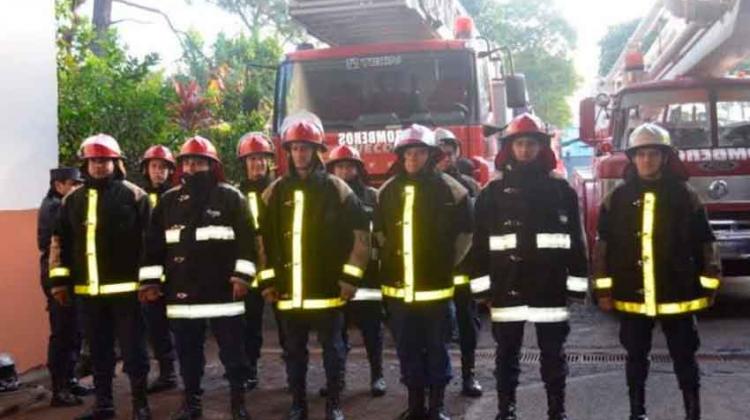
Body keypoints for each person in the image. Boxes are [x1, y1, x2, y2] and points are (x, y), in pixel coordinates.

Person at [593, 123, 720, 420]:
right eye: (641, 154)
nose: (647, 160)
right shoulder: (617, 198)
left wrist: (710, 282)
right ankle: (637, 413)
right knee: (635, 357)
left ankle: (693, 413)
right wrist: (603, 290)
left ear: (665, 158)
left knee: (685, 357)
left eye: (653, 154)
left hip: (678, 292)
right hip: (631, 295)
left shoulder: (685, 195)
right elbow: (603, 249)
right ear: (632, 158)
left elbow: (705, 241)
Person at [473, 114, 588, 420]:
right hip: (506, 286)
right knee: (506, 356)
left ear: (541, 147)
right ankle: (506, 411)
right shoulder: (491, 193)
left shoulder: (561, 190)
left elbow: (577, 241)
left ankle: (556, 411)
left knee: (553, 355)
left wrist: (577, 286)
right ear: (509, 148)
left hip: (549, 287)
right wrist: (482, 289)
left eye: (531, 144)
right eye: (519, 144)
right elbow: (479, 244)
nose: (525, 150)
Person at [258, 112, 369, 420]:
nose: (299, 153)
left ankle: (334, 403)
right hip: (288, 292)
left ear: (317, 150)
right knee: (293, 353)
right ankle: (298, 404)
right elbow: (262, 240)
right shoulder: (275, 191)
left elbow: (362, 236)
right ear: (288, 151)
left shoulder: (337, 189)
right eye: (294, 148)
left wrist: (349, 279)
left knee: (333, 351)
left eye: (305, 148)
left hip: (328, 290)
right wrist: (267, 282)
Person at [139, 136, 257, 420]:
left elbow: (247, 243)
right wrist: (150, 282)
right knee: (188, 355)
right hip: (182, 294)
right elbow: (153, 246)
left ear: (212, 165)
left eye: (199, 162)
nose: (192, 167)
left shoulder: (231, 197)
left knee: (233, 354)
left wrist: (242, 277)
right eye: (188, 162)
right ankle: (191, 404)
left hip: (223, 294)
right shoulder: (168, 202)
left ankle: (238, 403)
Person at [48, 134, 152, 420]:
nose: (99, 166)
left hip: (128, 293)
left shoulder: (134, 195)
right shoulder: (72, 200)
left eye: (105, 160)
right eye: (94, 161)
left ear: (116, 163)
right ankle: (103, 405)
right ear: (86, 164)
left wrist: (150, 281)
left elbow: (151, 242)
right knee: (99, 352)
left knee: (134, 353)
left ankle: (140, 406)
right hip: (88, 294)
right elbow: (59, 242)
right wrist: (59, 282)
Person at [376, 124, 472, 420]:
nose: (413, 159)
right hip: (399, 291)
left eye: (419, 153)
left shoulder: (452, 191)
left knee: (437, 347)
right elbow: (379, 236)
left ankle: (437, 405)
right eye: (408, 153)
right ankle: (415, 404)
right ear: (401, 156)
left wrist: (443, 265)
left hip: (436, 289)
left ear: (431, 155)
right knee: (408, 349)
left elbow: (465, 238)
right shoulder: (387, 191)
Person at [325, 145, 387, 398]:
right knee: (334, 335)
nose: (344, 171)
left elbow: (383, 236)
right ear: (332, 170)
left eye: (349, 166)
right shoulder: (325, 198)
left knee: (372, 331)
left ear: (358, 169)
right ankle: (336, 380)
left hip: (368, 277)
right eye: (339, 166)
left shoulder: (373, 197)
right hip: (336, 276)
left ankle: (378, 375)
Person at [235, 131, 287, 391]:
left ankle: (293, 371)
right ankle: (249, 370)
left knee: (287, 323)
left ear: (270, 161)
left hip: (278, 268)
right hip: (249, 268)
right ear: (244, 163)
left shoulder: (281, 189)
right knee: (249, 324)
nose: (256, 164)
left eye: (261, 159)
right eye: (251, 159)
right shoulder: (235, 194)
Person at [435, 128, 483, 398]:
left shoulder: (470, 186)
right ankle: (435, 382)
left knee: (466, 322)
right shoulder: (423, 186)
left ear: (456, 154)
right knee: (434, 328)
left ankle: (469, 375)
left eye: (449, 153)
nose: (445, 158)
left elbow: (478, 228)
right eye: (440, 153)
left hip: (462, 268)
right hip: (432, 269)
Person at [38, 167, 91, 407]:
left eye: (80, 184)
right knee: (62, 333)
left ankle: (69, 380)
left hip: (70, 279)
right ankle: (59, 390)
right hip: (59, 280)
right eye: (73, 183)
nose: (78, 188)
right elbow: (57, 247)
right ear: (58, 185)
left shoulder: (63, 204)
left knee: (74, 331)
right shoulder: (55, 208)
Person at [138, 145, 178, 394]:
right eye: (154, 166)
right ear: (146, 169)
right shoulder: (137, 197)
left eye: (163, 167)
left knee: (178, 326)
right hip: (148, 274)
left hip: (174, 273)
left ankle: (177, 371)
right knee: (154, 325)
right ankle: (166, 372)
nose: (158, 172)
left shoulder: (177, 197)